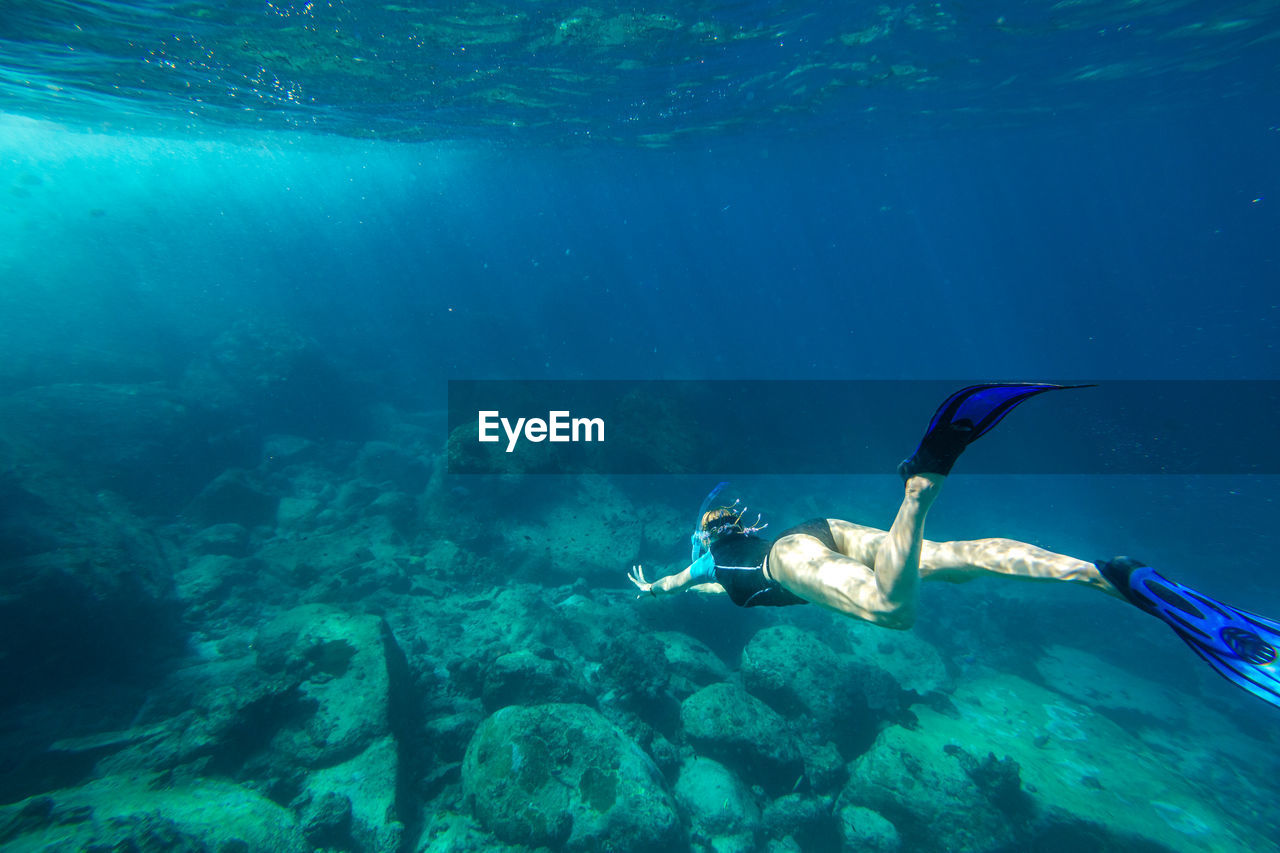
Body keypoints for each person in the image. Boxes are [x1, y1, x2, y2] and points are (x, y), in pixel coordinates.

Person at [628, 383, 1280, 710]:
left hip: (792, 562)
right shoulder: (722, 567)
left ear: (705, 537)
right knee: (948, 560)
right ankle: (1100, 575)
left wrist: (648, 588)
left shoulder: (708, 561)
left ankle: (919, 487)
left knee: (893, 609)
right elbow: (713, 590)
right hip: (817, 529)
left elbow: (673, 586)